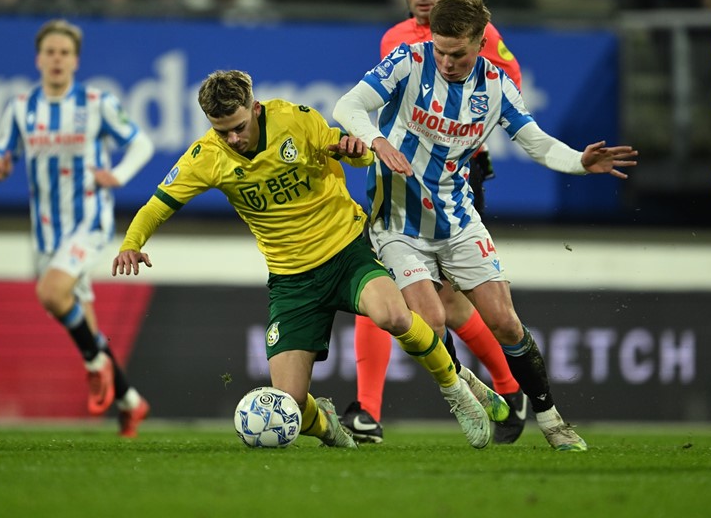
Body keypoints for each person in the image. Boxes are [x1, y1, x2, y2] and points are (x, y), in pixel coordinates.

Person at [111, 69, 492, 449]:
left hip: (346, 251)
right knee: (289, 403)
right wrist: (131, 242)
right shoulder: (206, 158)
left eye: (239, 127)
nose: (233, 138)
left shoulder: (294, 119)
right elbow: (156, 206)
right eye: (221, 130)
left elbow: (346, 150)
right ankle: (325, 423)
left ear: (254, 108)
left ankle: (456, 392)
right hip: (292, 280)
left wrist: (352, 150)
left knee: (392, 315)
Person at [334, 0, 638, 452]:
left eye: (458, 54)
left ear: (480, 43)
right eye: (440, 51)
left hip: (456, 219)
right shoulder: (408, 60)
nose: (447, 62)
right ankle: (461, 394)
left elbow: (535, 142)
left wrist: (579, 161)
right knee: (431, 323)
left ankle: (553, 421)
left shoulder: (495, 86)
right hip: (396, 223)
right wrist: (376, 140)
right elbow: (347, 107)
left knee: (507, 324)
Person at [340, 0, 529, 446]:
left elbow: (507, 89)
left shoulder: (481, 36)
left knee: (453, 305)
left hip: (457, 184)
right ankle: (368, 411)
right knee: (383, 284)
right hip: (399, 181)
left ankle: (509, 389)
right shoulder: (395, 40)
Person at [0, 19, 155, 437]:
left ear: (75, 60)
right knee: (80, 319)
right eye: (50, 52)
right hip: (46, 231)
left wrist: (119, 174)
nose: (57, 59)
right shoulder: (21, 107)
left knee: (50, 291)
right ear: (38, 59)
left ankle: (95, 363)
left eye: (65, 52)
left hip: (89, 220)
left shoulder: (97, 102)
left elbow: (141, 142)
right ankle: (130, 400)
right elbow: (0, 151)